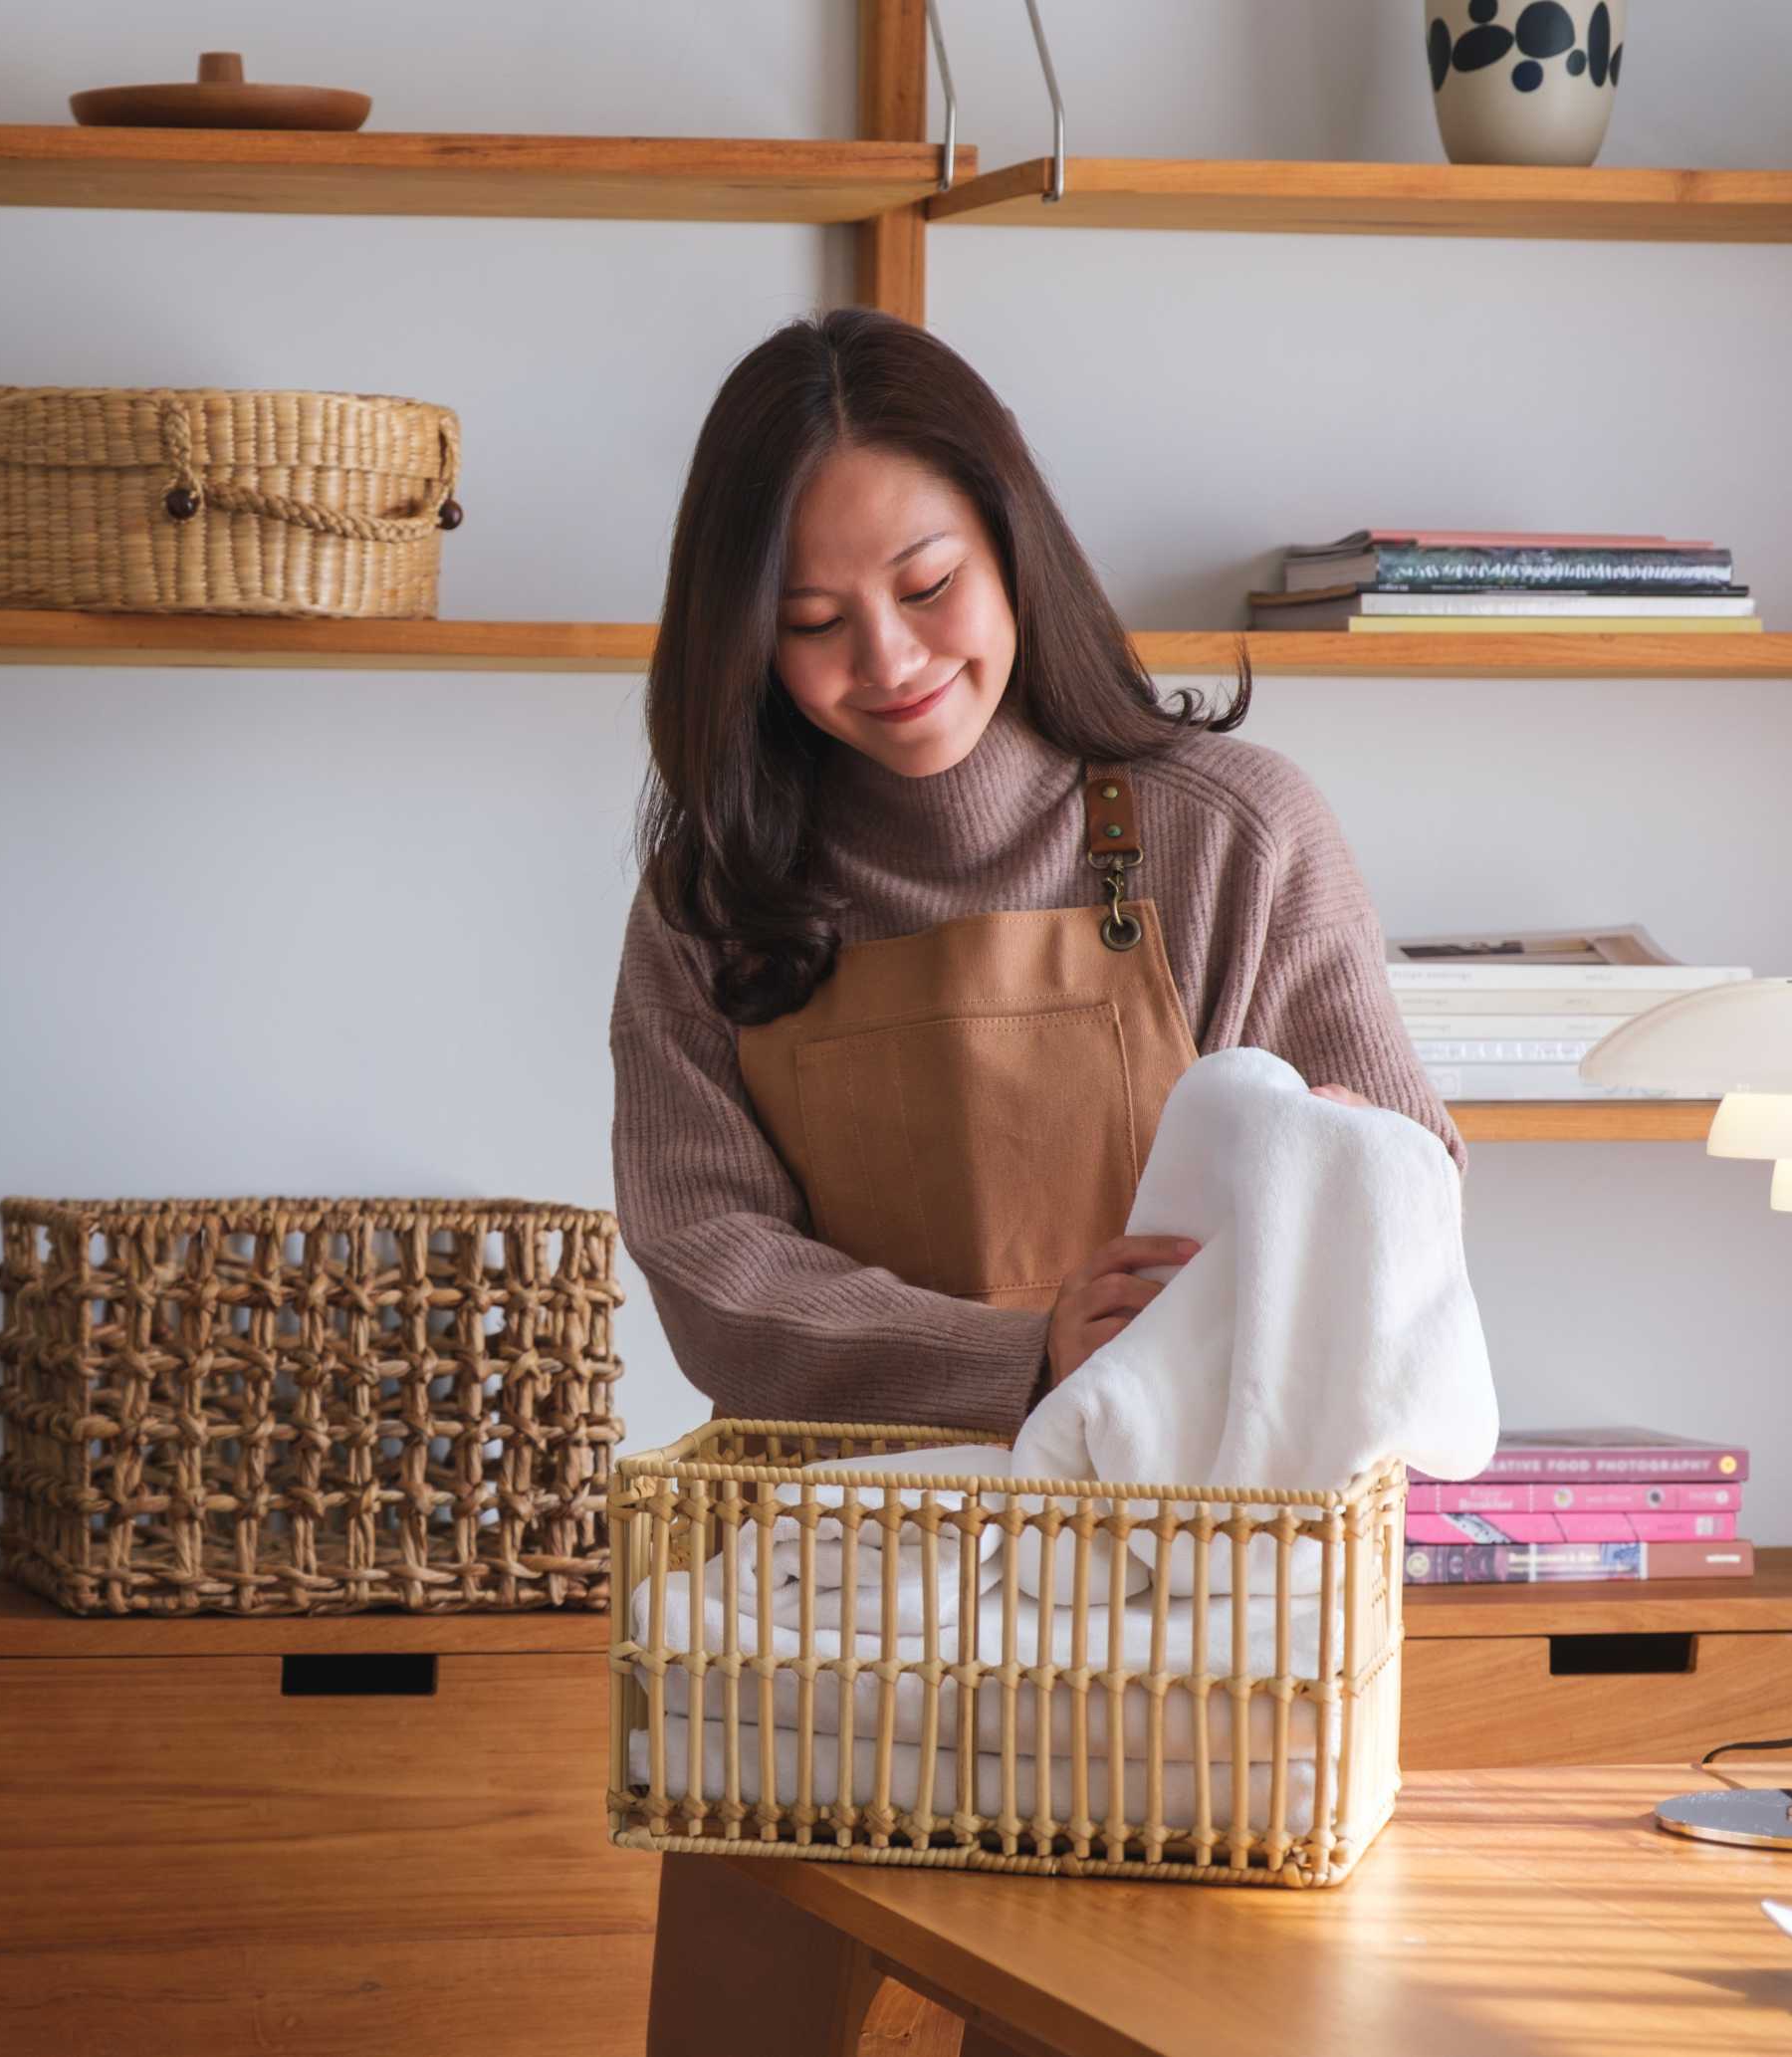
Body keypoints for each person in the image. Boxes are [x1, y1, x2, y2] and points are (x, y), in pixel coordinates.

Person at [609, 308, 1458, 2053]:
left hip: (1176, 1637)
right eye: (813, 623)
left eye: (928, 584)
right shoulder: (715, 904)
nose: (891, 659)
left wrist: (1150, 1383)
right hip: (831, 1638)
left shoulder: (1231, 828)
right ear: (738, 643)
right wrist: (1021, 1356)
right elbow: (708, 1259)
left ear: (1013, 542)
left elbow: (1393, 1190)